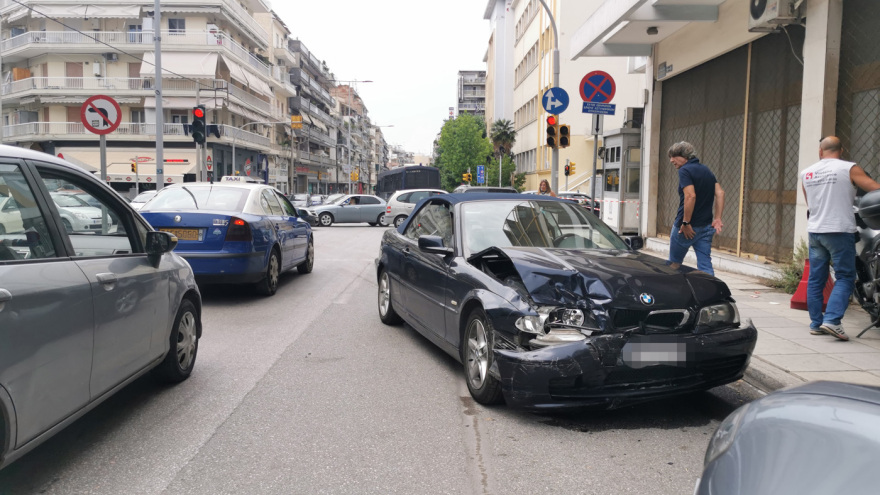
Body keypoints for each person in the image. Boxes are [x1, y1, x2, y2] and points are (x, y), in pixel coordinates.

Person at [800, 136, 880, 341]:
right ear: (841, 151)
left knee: (816, 279)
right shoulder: (849, 168)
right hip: (839, 230)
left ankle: (816, 324)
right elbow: (875, 189)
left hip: (815, 231)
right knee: (845, 277)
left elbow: (810, 204)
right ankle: (833, 321)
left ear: (820, 151)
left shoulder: (806, 173)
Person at [666, 141, 725, 276]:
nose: (671, 160)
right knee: (705, 267)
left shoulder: (684, 171)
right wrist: (717, 218)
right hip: (705, 227)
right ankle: (710, 288)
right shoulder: (706, 170)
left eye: (674, 156)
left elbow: (690, 196)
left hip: (685, 229)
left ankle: (672, 288)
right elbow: (720, 193)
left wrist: (686, 223)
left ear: (685, 157)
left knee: (673, 265)